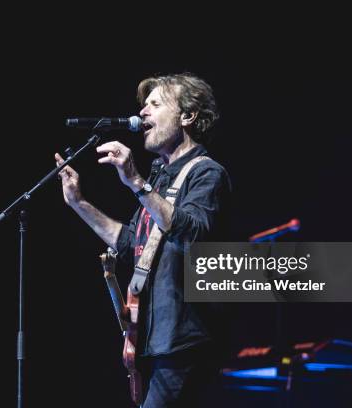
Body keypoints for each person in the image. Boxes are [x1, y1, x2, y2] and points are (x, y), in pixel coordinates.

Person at [55, 73, 232, 407]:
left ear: (187, 116)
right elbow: (130, 245)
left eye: (156, 104)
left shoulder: (206, 173)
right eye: (144, 105)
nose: (144, 113)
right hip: (153, 340)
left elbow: (192, 234)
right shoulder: (160, 177)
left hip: (184, 343)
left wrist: (136, 181)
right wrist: (79, 203)